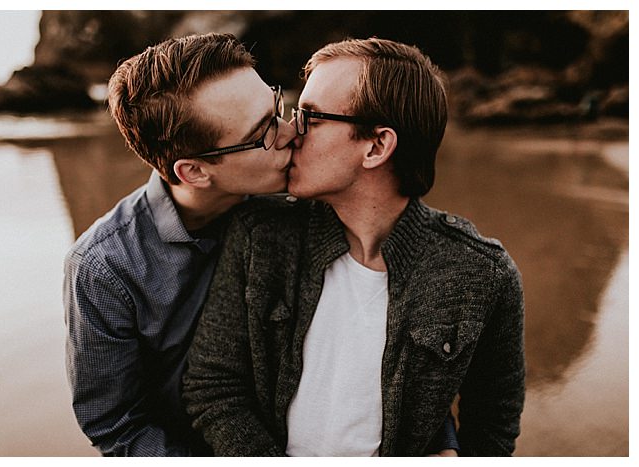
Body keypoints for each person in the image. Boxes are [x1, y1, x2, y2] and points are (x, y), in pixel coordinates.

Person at [183, 37, 525, 456]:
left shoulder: (482, 274)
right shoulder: (260, 236)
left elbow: (493, 425)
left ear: (376, 146)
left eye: (309, 117)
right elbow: (213, 387)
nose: (290, 132)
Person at [63, 33, 296, 456]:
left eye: (277, 107)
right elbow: (118, 427)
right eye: (264, 131)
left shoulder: (296, 201)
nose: (290, 132)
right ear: (194, 172)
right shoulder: (104, 267)